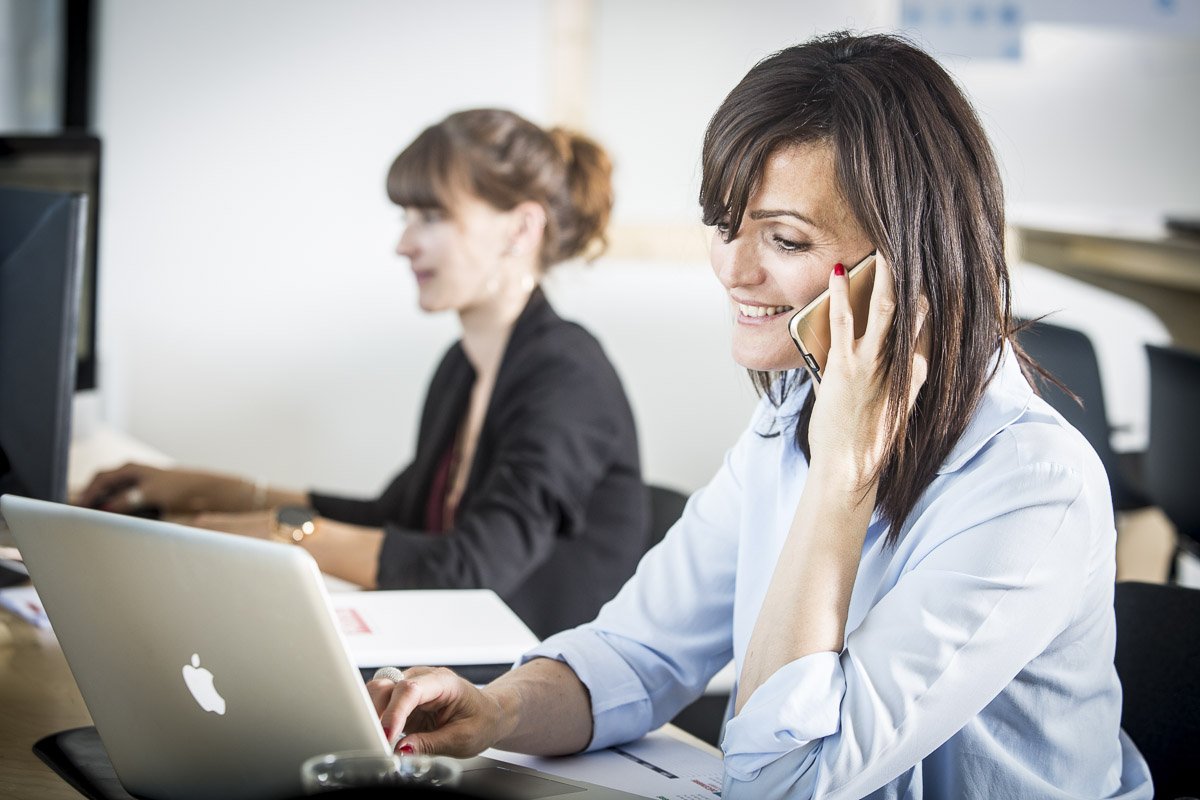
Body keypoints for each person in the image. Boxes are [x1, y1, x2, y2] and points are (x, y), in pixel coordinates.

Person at [363, 34, 1153, 799]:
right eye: (724, 224)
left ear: (908, 257)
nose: (733, 269)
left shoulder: (1029, 485)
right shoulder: (793, 412)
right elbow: (637, 652)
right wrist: (495, 706)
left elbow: (784, 783)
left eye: (782, 237)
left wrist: (841, 479)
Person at [78, 109, 650, 640]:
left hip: (528, 697)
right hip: (458, 655)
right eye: (406, 217)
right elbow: (393, 520)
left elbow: (473, 569)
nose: (404, 244)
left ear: (520, 229)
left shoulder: (566, 378)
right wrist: (206, 490)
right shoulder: (466, 367)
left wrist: (271, 536)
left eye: (432, 216)